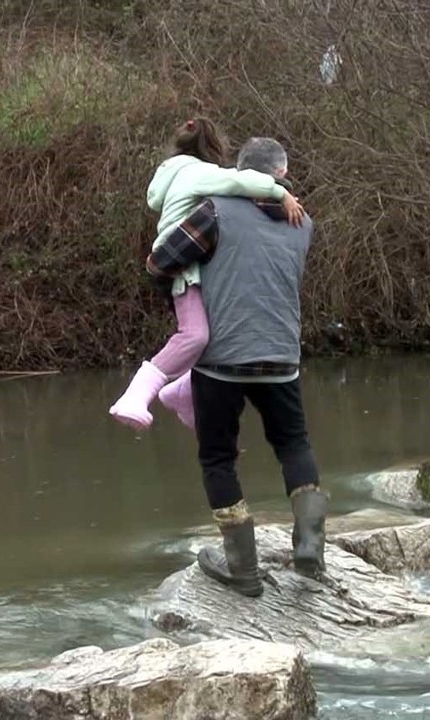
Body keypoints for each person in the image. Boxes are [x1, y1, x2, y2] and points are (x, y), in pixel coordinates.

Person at [148, 137, 326, 597]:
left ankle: (242, 568)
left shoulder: (214, 211)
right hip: (283, 356)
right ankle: (309, 553)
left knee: (217, 458)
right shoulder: (303, 222)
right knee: (293, 444)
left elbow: (160, 263)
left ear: (240, 175)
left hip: (221, 360)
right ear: (282, 177)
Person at [108, 118, 305, 431]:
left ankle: (182, 393)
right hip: (184, 264)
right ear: (212, 150)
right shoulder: (199, 173)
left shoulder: (172, 174)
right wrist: (279, 193)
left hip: (189, 264)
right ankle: (135, 395)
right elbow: (240, 182)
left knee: (217, 332)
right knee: (195, 334)